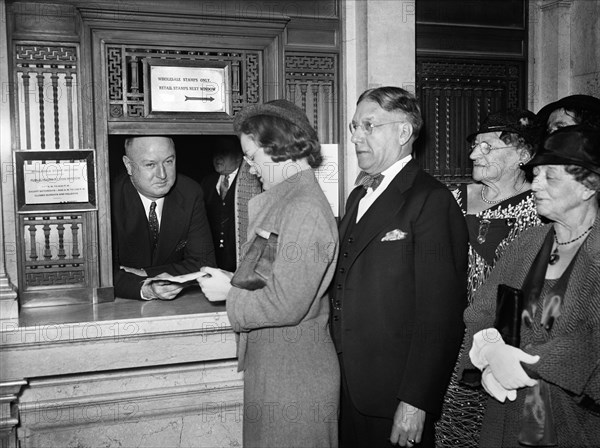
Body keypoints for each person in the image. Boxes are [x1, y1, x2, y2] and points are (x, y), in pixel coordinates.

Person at [330, 86, 469, 448]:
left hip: (395, 394)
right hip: (346, 387)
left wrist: (416, 401)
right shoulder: (358, 195)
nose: (357, 136)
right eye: (354, 126)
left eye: (369, 126)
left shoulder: (431, 200)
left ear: (403, 132)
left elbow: (441, 315)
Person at [197, 100, 340, 448]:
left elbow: (286, 302)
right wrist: (230, 276)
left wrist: (229, 293)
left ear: (281, 148)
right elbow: (273, 277)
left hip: (296, 377)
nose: (248, 168)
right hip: (277, 369)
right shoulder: (286, 200)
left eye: (252, 157)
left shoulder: (304, 207)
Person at [461, 124, 600, 447]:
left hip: (576, 420)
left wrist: (526, 363)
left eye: (549, 177)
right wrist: (487, 352)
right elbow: (482, 309)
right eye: (535, 174)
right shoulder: (529, 242)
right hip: (508, 412)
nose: (535, 185)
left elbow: (592, 339)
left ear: (588, 186)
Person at [436, 109, 542, 447]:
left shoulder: (541, 209)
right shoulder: (453, 198)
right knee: (450, 427)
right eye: (474, 146)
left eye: (487, 147)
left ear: (523, 155)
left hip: (505, 344)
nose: (472, 155)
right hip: (447, 335)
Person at [111, 136, 215, 300]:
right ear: (128, 166)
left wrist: (147, 275)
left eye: (168, 162)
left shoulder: (190, 192)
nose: (162, 174)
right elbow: (101, 275)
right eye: (150, 165)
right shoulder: (109, 198)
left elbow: (204, 264)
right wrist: (146, 289)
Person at [201, 138, 244, 272]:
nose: (218, 157)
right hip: (213, 261)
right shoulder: (207, 182)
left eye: (225, 152)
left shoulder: (249, 183)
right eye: (216, 152)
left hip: (239, 261)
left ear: (239, 156)